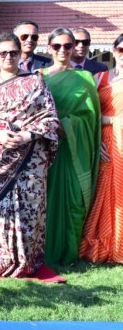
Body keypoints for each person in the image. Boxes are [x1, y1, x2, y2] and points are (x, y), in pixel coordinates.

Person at [0, 33, 60, 277]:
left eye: (13, 52)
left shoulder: (36, 82)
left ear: (21, 54)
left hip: (31, 158)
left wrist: (28, 135)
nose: (8, 57)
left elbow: (50, 117)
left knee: (29, 208)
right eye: (3, 53)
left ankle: (26, 262)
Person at [41, 27, 101, 265]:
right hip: (45, 150)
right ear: (49, 48)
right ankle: (44, 251)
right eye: (57, 46)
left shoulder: (85, 79)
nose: (63, 50)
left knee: (74, 200)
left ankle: (69, 251)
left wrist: (67, 126)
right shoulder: (38, 76)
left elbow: (90, 118)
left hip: (74, 149)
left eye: (68, 46)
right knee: (44, 200)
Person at [80, 34, 123, 263]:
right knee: (108, 191)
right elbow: (91, 115)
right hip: (108, 140)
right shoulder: (100, 78)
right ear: (114, 50)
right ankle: (109, 242)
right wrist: (110, 124)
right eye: (122, 50)